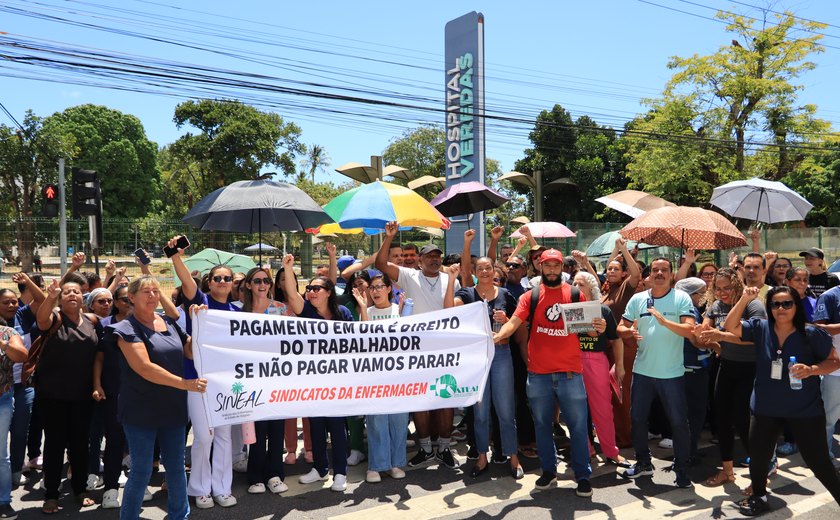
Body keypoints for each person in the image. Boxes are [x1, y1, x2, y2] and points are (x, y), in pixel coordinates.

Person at [723, 286, 840, 516]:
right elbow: (730, 326)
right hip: (765, 407)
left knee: (819, 462)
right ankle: (759, 496)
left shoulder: (811, 333)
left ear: (796, 306)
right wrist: (746, 298)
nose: (781, 308)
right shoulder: (760, 327)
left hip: (804, 408)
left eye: (787, 303)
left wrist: (812, 370)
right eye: (775, 304)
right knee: (758, 458)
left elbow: (834, 362)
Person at [493, 249, 593, 497]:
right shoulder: (531, 296)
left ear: (561, 268)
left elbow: (590, 333)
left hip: (570, 373)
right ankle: (548, 471)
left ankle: (582, 475)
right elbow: (514, 322)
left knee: (578, 428)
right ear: (539, 267)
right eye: (546, 266)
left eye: (555, 266)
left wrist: (596, 325)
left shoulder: (575, 294)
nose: (550, 270)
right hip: (538, 374)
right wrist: (498, 335)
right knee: (542, 427)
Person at [112, 276, 206, 520]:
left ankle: (179, 515)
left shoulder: (168, 322)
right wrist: (184, 384)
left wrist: (201, 323)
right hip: (140, 411)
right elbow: (144, 367)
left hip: (172, 407)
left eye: (155, 290)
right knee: (141, 471)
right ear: (131, 298)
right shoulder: (125, 329)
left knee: (175, 467)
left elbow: (189, 349)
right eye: (146, 291)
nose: (152, 295)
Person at [374, 221, 460, 469]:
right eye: (429, 256)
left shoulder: (449, 279)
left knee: (445, 399)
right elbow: (381, 264)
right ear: (419, 260)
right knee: (420, 399)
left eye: (437, 256)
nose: (434, 260)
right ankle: (424, 448)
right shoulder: (409, 275)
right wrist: (388, 237)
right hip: (416, 350)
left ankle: (444, 447)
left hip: (444, 349)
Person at [168, 235, 239, 509]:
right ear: (209, 283)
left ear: (233, 284)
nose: (222, 282)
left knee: (222, 435)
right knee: (204, 436)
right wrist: (176, 256)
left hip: (226, 382)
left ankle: (222, 487)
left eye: (227, 279)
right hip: (197, 380)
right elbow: (187, 281)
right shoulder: (199, 301)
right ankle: (199, 487)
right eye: (217, 278)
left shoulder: (238, 311)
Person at [617, 258, 695, 488]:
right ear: (648, 275)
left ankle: (682, 469)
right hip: (642, 372)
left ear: (671, 274)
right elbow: (621, 327)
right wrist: (629, 331)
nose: (659, 273)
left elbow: (689, 329)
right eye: (655, 270)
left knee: (679, 423)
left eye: (664, 269)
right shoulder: (638, 299)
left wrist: (663, 321)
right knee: (638, 419)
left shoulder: (681, 297)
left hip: (671, 374)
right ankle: (642, 463)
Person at [449, 254, 524, 480]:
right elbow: (449, 311)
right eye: (479, 268)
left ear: (494, 271)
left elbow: (516, 322)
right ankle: (482, 456)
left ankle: (513, 456)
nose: (484, 272)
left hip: (501, 354)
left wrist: (506, 317)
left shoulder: (505, 294)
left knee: (505, 410)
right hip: (477, 358)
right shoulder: (466, 293)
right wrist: (452, 280)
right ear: (474, 271)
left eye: (488, 268)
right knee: (480, 412)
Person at [283, 254, 353, 492]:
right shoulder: (306, 311)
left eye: (316, 288)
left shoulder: (342, 312)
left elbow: (357, 343)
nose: (311, 292)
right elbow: (292, 294)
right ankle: (320, 469)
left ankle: (341, 473)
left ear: (329, 292)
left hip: (338, 382)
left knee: (337, 428)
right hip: (313, 381)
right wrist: (287, 267)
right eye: (309, 288)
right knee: (316, 427)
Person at [35, 273, 102, 513]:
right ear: (60, 298)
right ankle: (51, 494)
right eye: (66, 292)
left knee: (79, 445)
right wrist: (50, 297)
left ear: (83, 297)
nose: (71, 294)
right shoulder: (53, 319)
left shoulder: (92, 321)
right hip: (53, 396)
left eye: (76, 291)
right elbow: (41, 317)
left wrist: (96, 384)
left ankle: (80, 489)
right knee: (54, 445)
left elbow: (99, 356)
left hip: (83, 397)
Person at [697, 268, 767, 487]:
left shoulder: (753, 304)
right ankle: (727, 472)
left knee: (743, 421)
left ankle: (760, 475)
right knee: (722, 420)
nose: (722, 293)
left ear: (736, 285)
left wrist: (720, 336)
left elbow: (756, 339)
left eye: (727, 287)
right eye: (717, 288)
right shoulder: (716, 306)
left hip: (750, 368)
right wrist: (705, 337)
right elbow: (704, 331)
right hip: (726, 366)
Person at [240, 267, 290, 495]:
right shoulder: (240, 312)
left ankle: (275, 474)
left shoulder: (280, 309)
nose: (263, 284)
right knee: (257, 430)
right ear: (248, 285)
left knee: (276, 428)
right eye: (257, 280)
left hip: (277, 378)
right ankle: (256, 476)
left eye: (266, 281)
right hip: (251, 380)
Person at [571, 271, 627, 466]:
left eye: (582, 284)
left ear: (591, 288)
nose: (577, 287)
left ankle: (611, 451)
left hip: (596, 361)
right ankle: (585, 449)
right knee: (576, 410)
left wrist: (619, 365)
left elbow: (616, 339)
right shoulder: (567, 310)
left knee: (603, 409)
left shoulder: (603, 310)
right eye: (574, 283)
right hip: (571, 361)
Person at [359, 273, 410, 483]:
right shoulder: (367, 311)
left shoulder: (401, 309)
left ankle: (396, 463)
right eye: (372, 287)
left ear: (389, 289)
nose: (376, 291)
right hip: (374, 376)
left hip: (399, 376)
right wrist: (362, 309)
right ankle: (376, 465)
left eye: (380, 286)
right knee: (376, 421)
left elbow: (409, 339)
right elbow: (362, 340)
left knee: (398, 421)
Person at [93, 284, 135, 509]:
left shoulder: (147, 323)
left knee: (140, 443)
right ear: (116, 302)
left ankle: (139, 485)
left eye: (132, 299)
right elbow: (99, 358)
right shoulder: (104, 325)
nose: (129, 303)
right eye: (124, 299)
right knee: (114, 441)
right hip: (113, 392)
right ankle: (110, 489)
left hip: (141, 394)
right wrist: (97, 384)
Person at [273, 266, 313, 466]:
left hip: (304, 364)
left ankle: (310, 447)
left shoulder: (305, 304)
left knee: (307, 407)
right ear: (278, 283)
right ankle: (290, 449)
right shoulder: (273, 306)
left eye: (289, 278)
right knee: (288, 409)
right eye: (281, 279)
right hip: (283, 364)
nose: (286, 282)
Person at [674, 277, 714, 464]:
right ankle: (688, 453)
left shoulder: (677, 309)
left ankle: (686, 451)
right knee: (695, 414)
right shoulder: (690, 312)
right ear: (691, 294)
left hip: (682, 369)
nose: (703, 297)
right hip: (693, 369)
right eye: (701, 293)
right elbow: (696, 340)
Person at [0, 314, 30, 520]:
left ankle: (3, 501)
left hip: (2, 399)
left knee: (0, 455)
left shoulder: (7, 333)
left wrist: (2, 343)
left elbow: (21, 355)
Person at [813, 285, 840, 471]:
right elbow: (818, 330)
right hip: (835, 368)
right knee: (829, 416)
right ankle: (823, 455)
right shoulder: (830, 296)